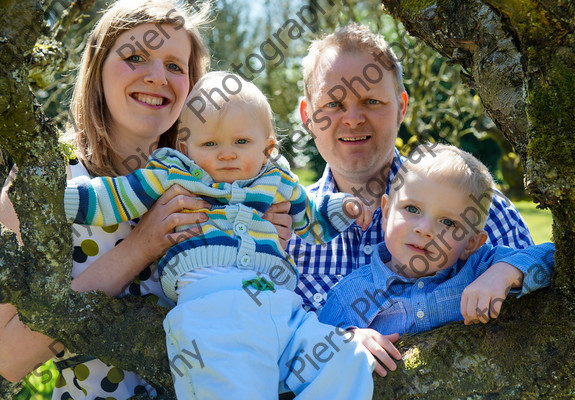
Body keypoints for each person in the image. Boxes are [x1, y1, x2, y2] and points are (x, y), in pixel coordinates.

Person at [0, 1, 292, 398]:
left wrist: (266, 246)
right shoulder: (48, 183)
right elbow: (7, 358)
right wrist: (139, 248)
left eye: (175, 66)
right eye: (136, 57)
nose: (158, 77)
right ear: (97, 68)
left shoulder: (221, 177)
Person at [64, 71, 375, 399]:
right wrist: (52, 196)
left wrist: (346, 208)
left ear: (267, 148)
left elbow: (313, 219)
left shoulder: (276, 182)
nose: (227, 153)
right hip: (213, 318)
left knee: (348, 358)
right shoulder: (174, 176)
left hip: (284, 314)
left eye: (241, 142)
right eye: (210, 143)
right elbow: (113, 197)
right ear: (186, 147)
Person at [287, 22, 536, 377]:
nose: (353, 119)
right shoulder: (284, 228)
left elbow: (538, 312)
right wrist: (335, 340)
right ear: (307, 117)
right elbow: (270, 343)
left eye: (371, 101)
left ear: (401, 107)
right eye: (333, 104)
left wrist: (502, 273)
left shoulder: (479, 206)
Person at [317, 143, 554, 334]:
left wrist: (502, 274)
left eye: (448, 222)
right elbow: (312, 358)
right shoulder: (350, 294)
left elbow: (553, 255)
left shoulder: (479, 268)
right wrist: (348, 344)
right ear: (387, 213)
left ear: (471, 243)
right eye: (412, 209)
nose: (425, 229)